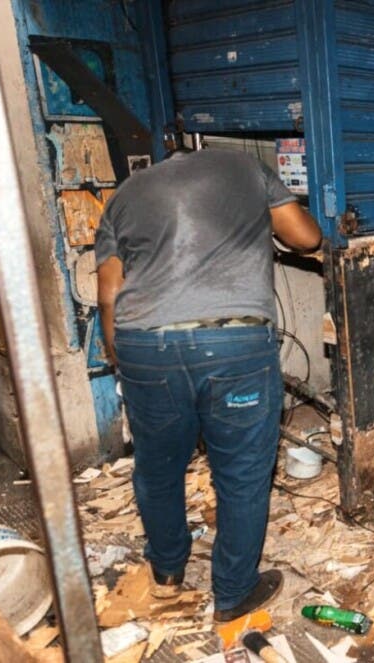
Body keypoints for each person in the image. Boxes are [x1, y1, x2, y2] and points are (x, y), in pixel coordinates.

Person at [95, 147, 321, 621]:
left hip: (144, 346)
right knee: (240, 474)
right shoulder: (245, 166)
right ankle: (234, 592)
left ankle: (168, 572)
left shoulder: (123, 196)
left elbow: (108, 292)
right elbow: (305, 238)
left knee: (157, 469)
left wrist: (122, 360)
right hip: (232, 343)